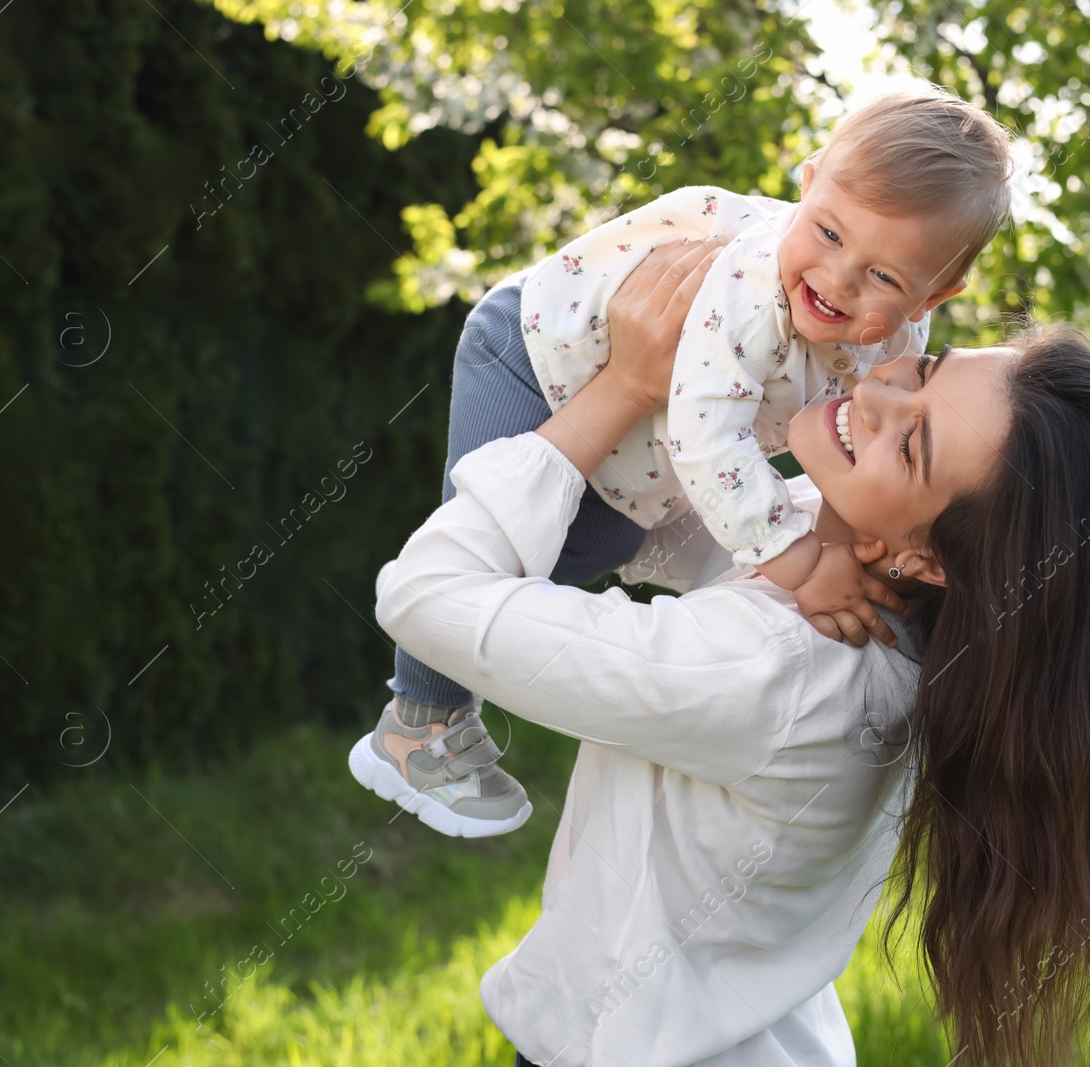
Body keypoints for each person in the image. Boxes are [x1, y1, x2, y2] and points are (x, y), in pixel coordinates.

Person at [368, 241, 1090, 1066]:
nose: (880, 394)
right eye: (926, 370)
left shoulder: (780, 667)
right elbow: (660, 536)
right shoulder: (860, 569)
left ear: (928, 559)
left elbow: (424, 598)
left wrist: (623, 387)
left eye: (912, 443)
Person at [368, 87, 1014, 836]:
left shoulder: (899, 341)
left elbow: (852, 444)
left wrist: (850, 546)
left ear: (939, 290)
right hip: (534, 355)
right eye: (829, 232)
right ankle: (421, 721)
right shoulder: (747, 287)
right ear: (805, 183)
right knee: (494, 545)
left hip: (637, 438)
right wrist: (802, 560)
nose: (839, 280)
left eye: (886, 277)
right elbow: (710, 440)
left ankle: (432, 708)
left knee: (591, 546)